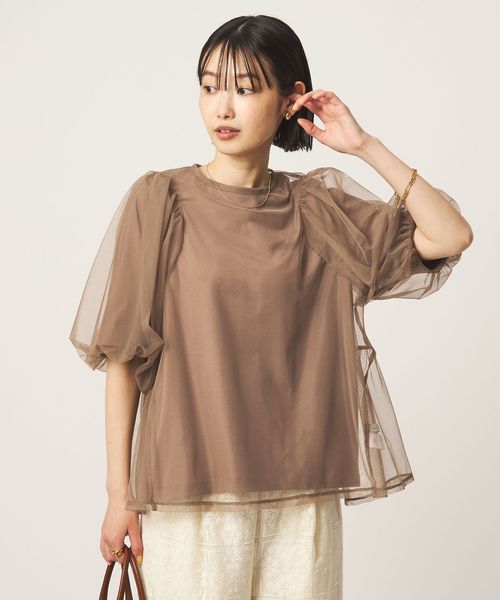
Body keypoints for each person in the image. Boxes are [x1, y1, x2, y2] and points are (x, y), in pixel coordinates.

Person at [68, 14, 473, 600]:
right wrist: (118, 495)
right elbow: (123, 356)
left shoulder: (318, 208)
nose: (222, 106)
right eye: (210, 86)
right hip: (191, 491)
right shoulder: (161, 200)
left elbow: (450, 235)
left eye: (245, 87)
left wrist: (363, 145)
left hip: (303, 495)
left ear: (290, 100)